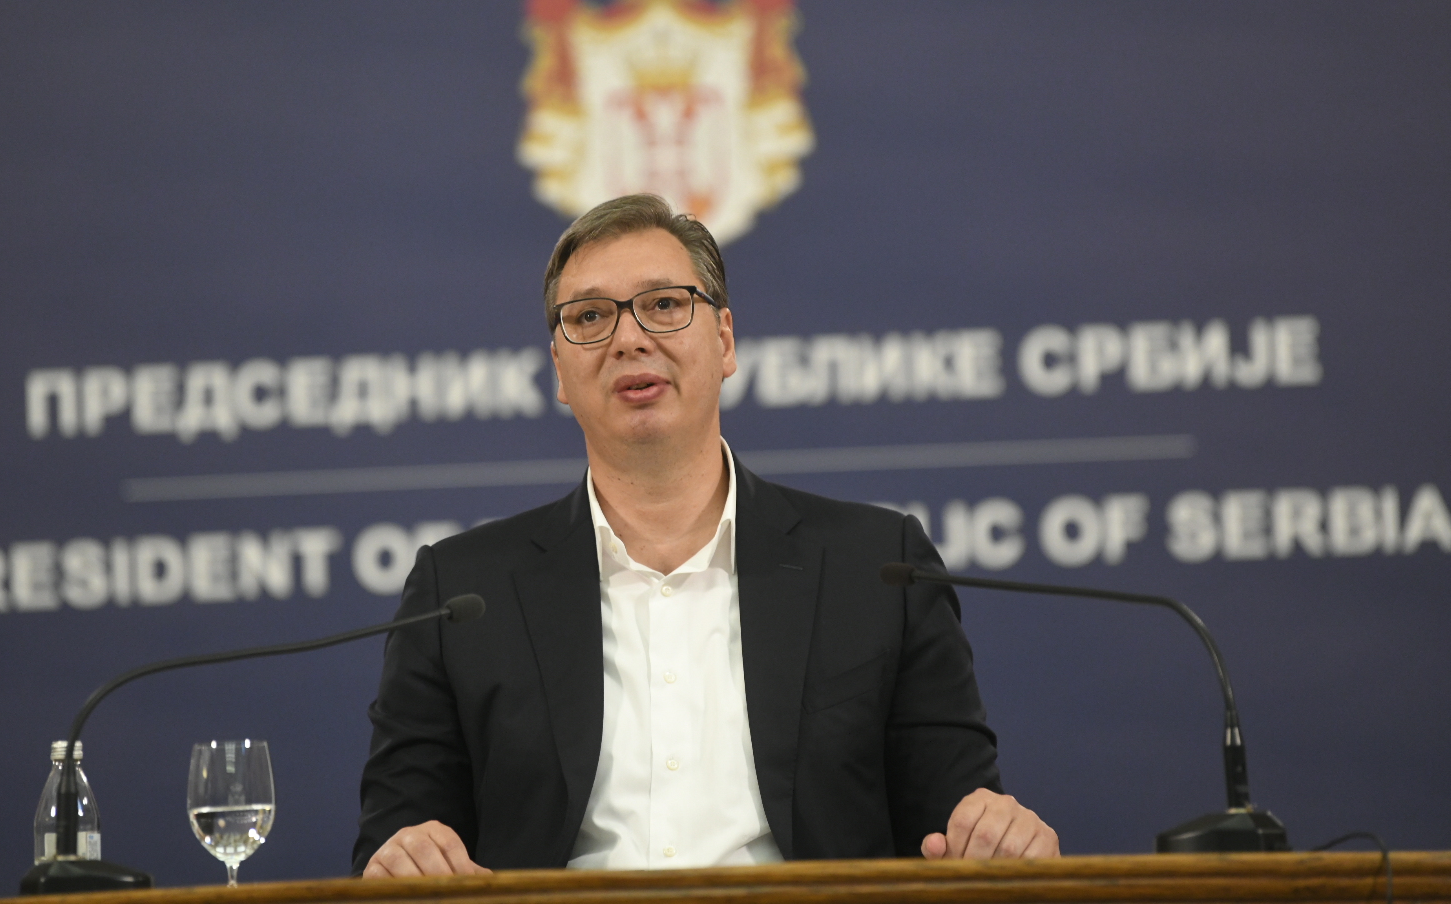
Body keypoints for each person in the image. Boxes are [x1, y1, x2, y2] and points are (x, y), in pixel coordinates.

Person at [354, 195, 1058, 877]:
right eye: (590, 316)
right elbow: (395, 843)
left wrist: (997, 839)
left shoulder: (877, 568)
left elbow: (957, 821)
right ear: (559, 371)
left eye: (664, 304)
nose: (629, 339)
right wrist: (405, 857)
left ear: (723, 341)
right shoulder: (462, 594)